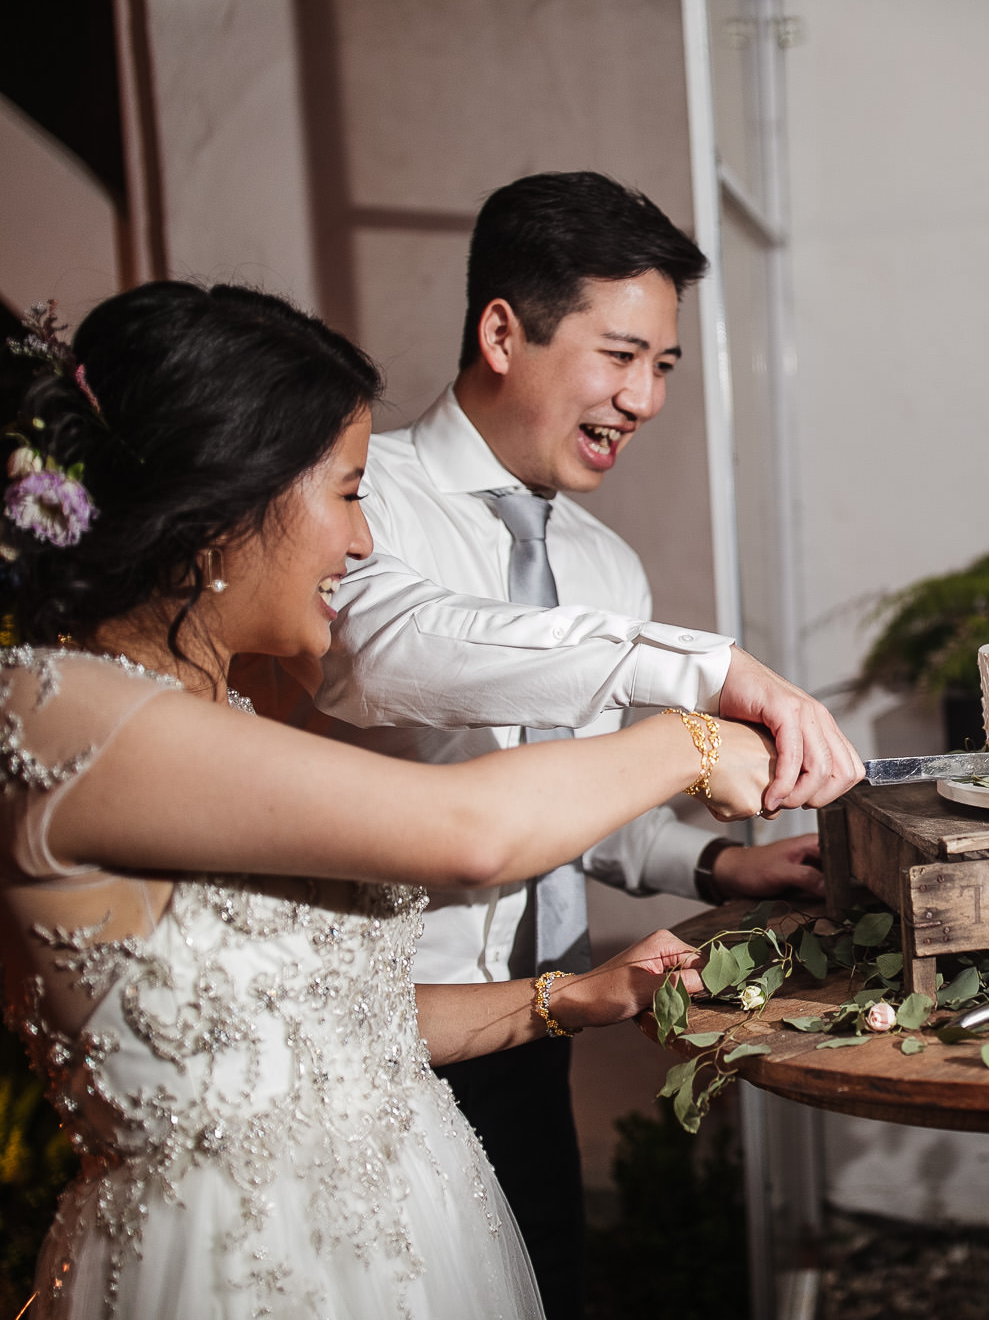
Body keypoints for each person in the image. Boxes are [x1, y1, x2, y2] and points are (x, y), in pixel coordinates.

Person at [0, 282, 772, 1318]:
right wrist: (688, 736)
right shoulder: (65, 711)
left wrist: (565, 998)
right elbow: (467, 832)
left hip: (410, 1233)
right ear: (230, 500)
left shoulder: (212, 710)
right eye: (348, 492)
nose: (362, 542)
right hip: (242, 1274)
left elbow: (319, 1035)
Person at [302, 171, 864, 1318]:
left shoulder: (606, 569)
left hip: (546, 1018)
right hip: (386, 1029)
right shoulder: (365, 504)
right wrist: (700, 671)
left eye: (662, 366)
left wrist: (714, 865)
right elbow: (393, 653)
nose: (646, 399)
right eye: (620, 355)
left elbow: (581, 810)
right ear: (502, 332)